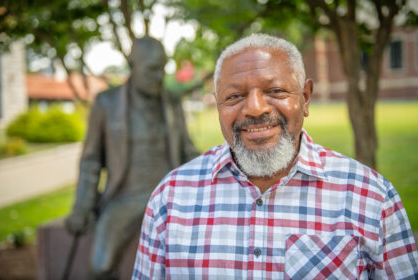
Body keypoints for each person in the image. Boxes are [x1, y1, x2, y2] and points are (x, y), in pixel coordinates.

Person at [132, 33, 417, 279]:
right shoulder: (170, 199)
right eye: (234, 96)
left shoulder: (372, 198)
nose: (255, 109)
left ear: (305, 97)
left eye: (275, 91)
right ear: (217, 104)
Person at [65, 36, 198, 279]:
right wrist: (82, 207)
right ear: (133, 66)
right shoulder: (106, 103)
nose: (159, 76)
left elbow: (188, 151)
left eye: (162, 68)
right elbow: (91, 160)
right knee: (99, 265)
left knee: (191, 261)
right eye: (152, 70)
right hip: (125, 199)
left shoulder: (171, 102)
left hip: (172, 197)